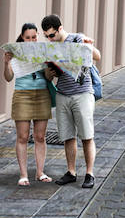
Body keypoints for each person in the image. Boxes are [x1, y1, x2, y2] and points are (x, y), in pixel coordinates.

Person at [39, 14, 100, 189]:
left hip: (82, 93)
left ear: (60, 28)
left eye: (51, 35)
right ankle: (71, 172)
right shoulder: (51, 48)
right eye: (46, 36)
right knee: (67, 136)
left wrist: (87, 46)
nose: (50, 39)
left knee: (86, 136)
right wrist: (50, 73)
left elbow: (97, 55)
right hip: (62, 94)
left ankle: (89, 173)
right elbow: (47, 76)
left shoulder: (77, 38)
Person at [4, 23, 56, 186]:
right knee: (23, 137)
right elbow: (8, 78)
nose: (32, 40)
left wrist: (50, 66)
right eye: (28, 38)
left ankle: (39, 172)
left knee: (40, 136)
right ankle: (23, 174)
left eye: (34, 37)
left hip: (42, 95)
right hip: (22, 95)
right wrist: (6, 63)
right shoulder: (15, 52)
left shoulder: (42, 51)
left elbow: (48, 78)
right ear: (22, 38)